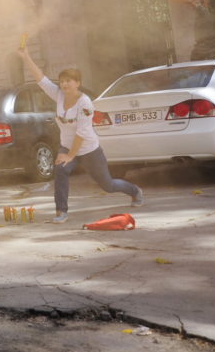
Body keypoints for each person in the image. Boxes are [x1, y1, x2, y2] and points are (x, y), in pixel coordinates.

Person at [17, 46, 144, 223]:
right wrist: (26, 57)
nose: (65, 84)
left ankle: (134, 191)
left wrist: (70, 155)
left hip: (89, 149)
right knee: (60, 170)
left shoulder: (85, 103)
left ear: (77, 83)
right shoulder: (59, 95)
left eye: (69, 81)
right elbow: (41, 79)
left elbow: (82, 132)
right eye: (62, 81)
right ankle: (61, 212)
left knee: (108, 185)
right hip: (68, 147)